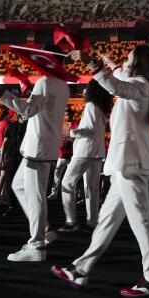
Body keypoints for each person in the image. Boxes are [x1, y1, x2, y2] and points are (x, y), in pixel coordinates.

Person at [51, 44, 149, 297]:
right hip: (125, 164)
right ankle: (81, 269)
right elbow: (119, 79)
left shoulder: (141, 85)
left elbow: (116, 86)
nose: (125, 61)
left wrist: (91, 63)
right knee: (106, 221)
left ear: (138, 64)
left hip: (131, 164)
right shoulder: (140, 84)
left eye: (129, 58)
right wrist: (111, 63)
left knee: (141, 221)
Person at [0, 49, 70, 263]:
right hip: (45, 145)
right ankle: (45, 229)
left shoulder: (45, 82)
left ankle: (36, 244)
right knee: (19, 186)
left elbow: (28, 111)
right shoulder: (62, 85)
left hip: (37, 147)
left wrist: (3, 95)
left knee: (36, 195)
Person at [58, 80, 109, 232]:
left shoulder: (91, 106)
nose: (84, 91)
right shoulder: (102, 108)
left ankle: (71, 221)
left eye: (86, 88)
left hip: (85, 151)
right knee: (92, 189)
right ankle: (92, 222)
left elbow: (87, 130)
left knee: (67, 183)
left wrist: (69, 133)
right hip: (97, 151)